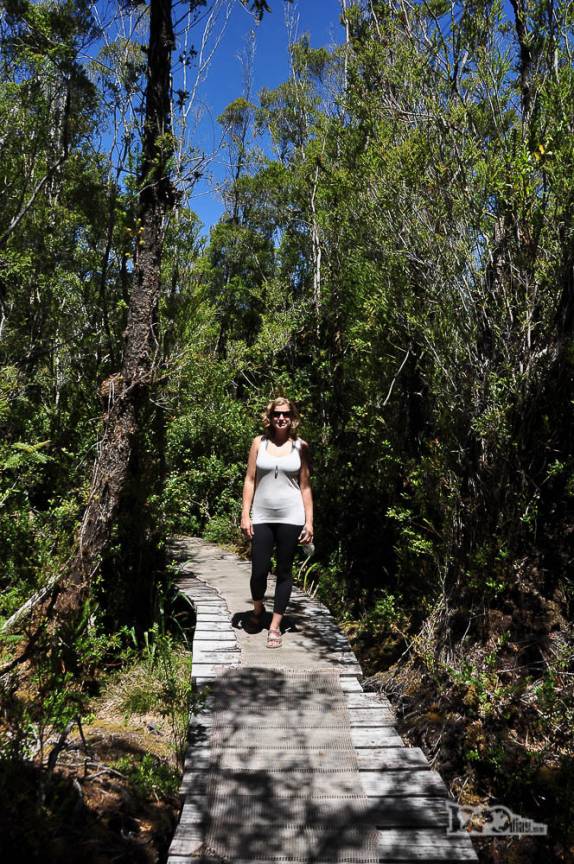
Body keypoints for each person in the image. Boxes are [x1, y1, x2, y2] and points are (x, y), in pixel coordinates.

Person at [240, 397, 313, 648]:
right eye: (276, 414)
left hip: (291, 517)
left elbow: (305, 486)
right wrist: (245, 514)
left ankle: (275, 626)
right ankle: (258, 610)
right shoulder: (258, 443)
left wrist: (309, 522)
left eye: (286, 414)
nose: (281, 418)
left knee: (284, 571)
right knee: (258, 569)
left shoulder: (300, 447)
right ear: (269, 418)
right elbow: (250, 479)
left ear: (292, 418)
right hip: (261, 515)